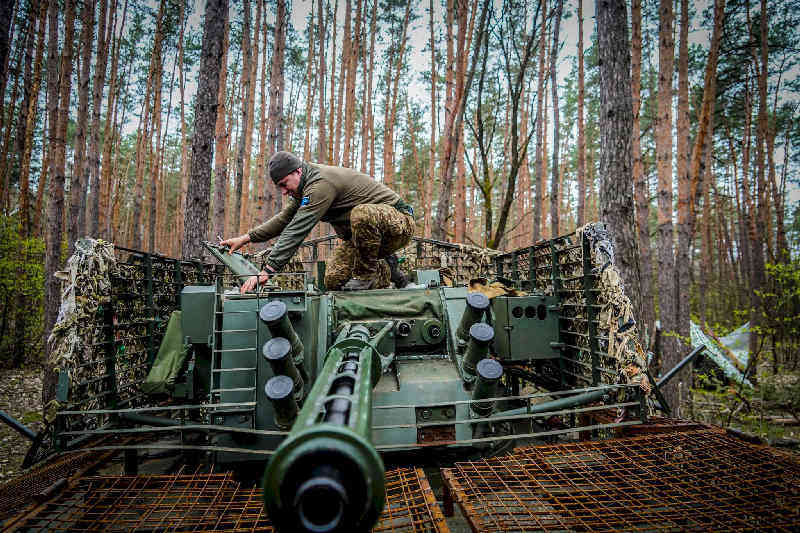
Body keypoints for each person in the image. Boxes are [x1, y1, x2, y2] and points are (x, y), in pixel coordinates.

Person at [222, 151, 414, 293]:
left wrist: (268, 270)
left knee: (362, 214)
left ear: (298, 172)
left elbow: (297, 229)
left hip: (399, 222)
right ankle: (388, 269)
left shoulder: (320, 184)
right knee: (333, 280)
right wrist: (245, 238)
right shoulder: (303, 189)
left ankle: (367, 276)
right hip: (366, 239)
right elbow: (283, 220)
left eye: (284, 184)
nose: (283, 191)